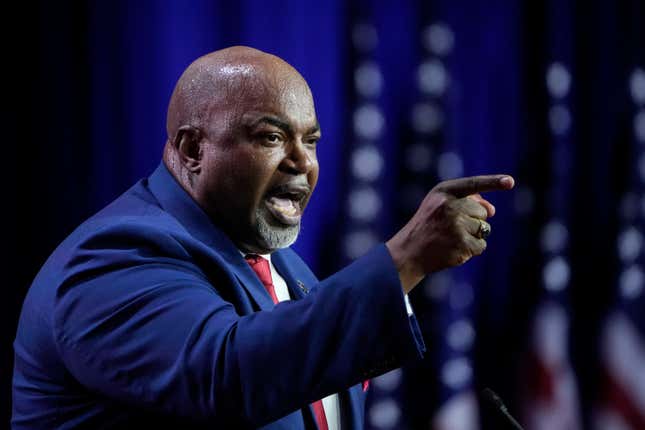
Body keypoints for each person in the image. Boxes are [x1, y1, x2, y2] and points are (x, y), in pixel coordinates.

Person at [12, 46, 514, 429]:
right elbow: (227, 376)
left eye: (311, 140)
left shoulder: (279, 265)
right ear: (191, 149)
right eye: (272, 138)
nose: (302, 163)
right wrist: (405, 259)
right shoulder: (114, 258)